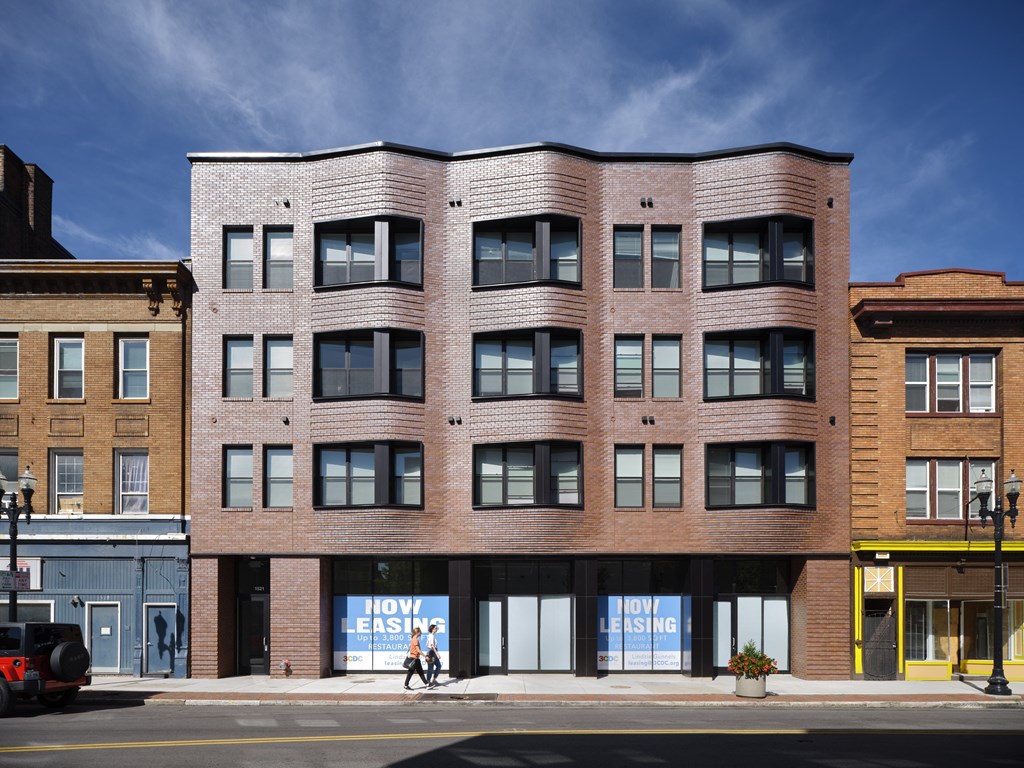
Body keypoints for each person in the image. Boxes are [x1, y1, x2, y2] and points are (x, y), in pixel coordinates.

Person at [424, 623, 442, 687]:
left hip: (432, 652)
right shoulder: (431, 636)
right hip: (431, 653)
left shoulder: (431, 636)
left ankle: (434, 679)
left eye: (436, 628)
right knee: (430, 668)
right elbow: (432, 646)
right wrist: (437, 654)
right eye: (435, 628)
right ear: (432, 629)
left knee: (438, 666)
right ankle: (428, 681)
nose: (436, 629)